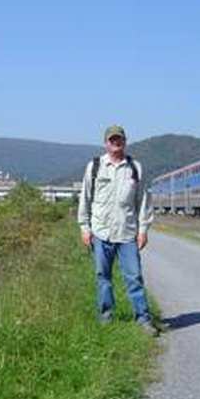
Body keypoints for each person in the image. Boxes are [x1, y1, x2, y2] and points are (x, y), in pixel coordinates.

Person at [77, 125, 156, 332]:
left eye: (119, 139)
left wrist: (143, 230)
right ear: (106, 143)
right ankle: (106, 316)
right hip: (101, 232)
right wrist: (85, 228)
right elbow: (84, 198)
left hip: (127, 233)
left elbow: (143, 201)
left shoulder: (135, 168)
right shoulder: (94, 166)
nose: (116, 143)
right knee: (103, 277)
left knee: (134, 277)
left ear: (125, 141)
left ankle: (143, 319)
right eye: (112, 140)